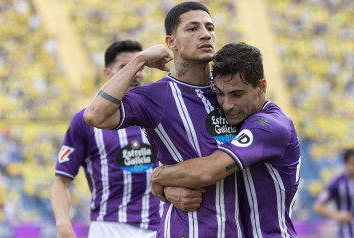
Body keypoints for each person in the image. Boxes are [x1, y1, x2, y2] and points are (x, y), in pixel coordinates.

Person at [83, 2, 244, 237]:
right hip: (185, 229)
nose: (205, 34)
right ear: (171, 43)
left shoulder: (231, 92)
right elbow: (94, 115)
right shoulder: (155, 96)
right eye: (192, 28)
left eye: (210, 27)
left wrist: (160, 182)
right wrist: (138, 60)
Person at [51, 40, 200, 238]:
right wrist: (63, 226)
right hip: (108, 229)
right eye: (126, 67)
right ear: (107, 74)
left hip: (161, 226)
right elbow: (61, 180)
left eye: (141, 66)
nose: (135, 73)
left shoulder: (161, 115)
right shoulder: (85, 121)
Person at [150, 42, 301, 238]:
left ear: (261, 86)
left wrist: (159, 176)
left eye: (237, 94)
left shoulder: (270, 125)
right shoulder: (238, 118)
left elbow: (209, 170)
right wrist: (169, 191)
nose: (227, 105)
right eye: (220, 93)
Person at [313, 148, 354, 238]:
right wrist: (336, 215)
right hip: (345, 232)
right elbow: (317, 207)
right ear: (346, 163)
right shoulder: (337, 183)